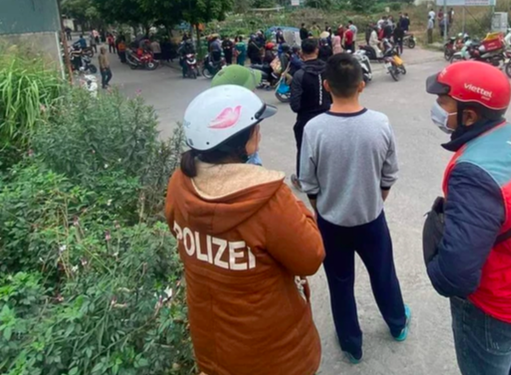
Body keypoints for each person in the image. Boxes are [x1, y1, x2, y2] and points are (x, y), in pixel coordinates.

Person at [165, 86, 325, 375]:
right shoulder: (269, 198)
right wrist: (294, 204)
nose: (259, 132)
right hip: (275, 356)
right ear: (244, 142)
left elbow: (176, 229)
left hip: (211, 346)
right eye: (256, 128)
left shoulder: (180, 183)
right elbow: (311, 257)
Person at [425, 60, 511, 375]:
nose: (437, 107)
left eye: (443, 101)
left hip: (496, 306)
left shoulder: (475, 173)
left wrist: (433, 260)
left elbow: (455, 276)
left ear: (469, 115)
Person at [299, 53, 410, 364]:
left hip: (331, 223)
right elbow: (389, 173)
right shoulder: (380, 123)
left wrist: (322, 208)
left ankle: (352, 345)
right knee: (383, 273)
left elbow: (308, 181)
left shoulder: (314, 128)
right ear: (362, 85)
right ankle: (397, 323)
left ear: (326, 85)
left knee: (340, 283)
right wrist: (376, 200)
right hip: (371, 219)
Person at [290, 38, 331, 188]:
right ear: (317, 51)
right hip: (328, 117)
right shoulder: (329, 71)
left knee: (304, 150)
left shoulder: (299, 75)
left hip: (306, 119)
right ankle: (327, 178)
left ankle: (303, 180)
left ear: (301, 53)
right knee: (327, 149)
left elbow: (295, 105)